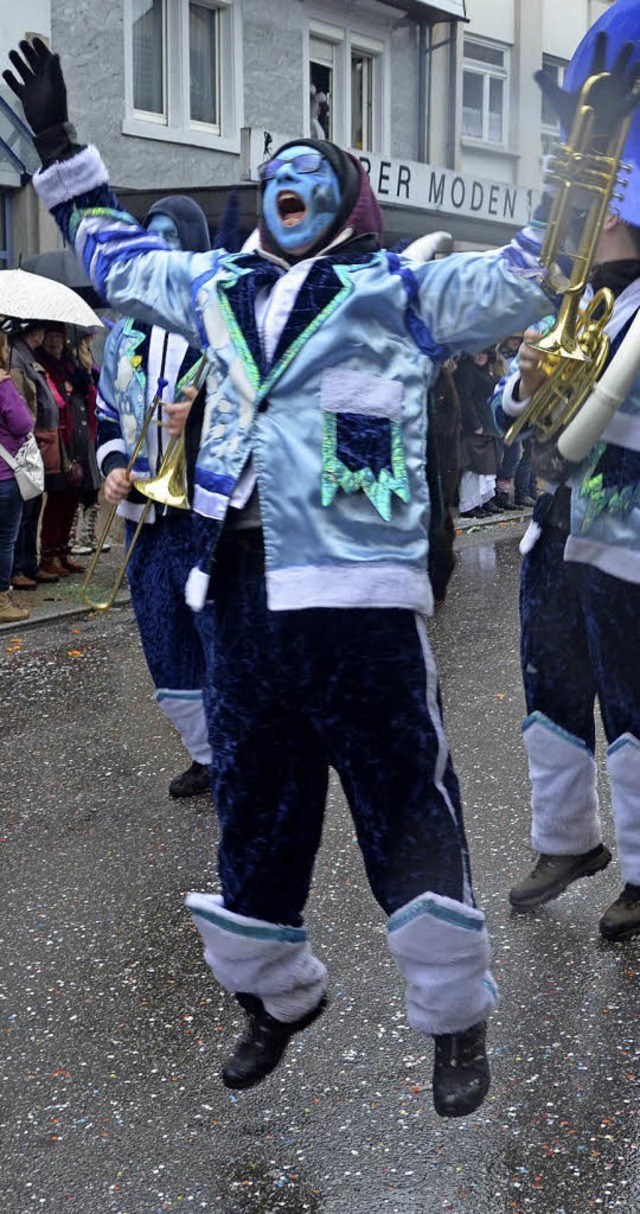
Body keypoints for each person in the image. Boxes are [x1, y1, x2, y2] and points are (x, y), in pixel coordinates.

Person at [5, 35, 634, 1118]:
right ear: (262, 205)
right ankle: (273, 996)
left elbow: (533, 268)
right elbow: (111, 257)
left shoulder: (396, 291)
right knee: (255, 799)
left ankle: (452, 1015)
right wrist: (61, 145)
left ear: (345, 204)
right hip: (241, 599)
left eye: (315, 174)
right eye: (279, 175)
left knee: (404, 801)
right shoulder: (214, 286)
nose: (291, 183)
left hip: (361, 603)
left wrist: (595, 142)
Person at [492, 4, 640, 943]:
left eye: (612, 215)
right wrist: (529, 383)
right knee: (548, 676)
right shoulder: (573, 303)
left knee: (632, 697)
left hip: (628, 532)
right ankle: (564, 838)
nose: (595, 226)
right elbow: (509, 405)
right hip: (557, 522)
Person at [97, 195, 215, 800]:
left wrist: (203, 416)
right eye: (151, 235)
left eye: (171, 234)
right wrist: (115, 465)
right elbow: (103, 418)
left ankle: (236, 747)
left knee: (217, 635)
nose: (159, 245)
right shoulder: (122, 336)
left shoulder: (219, 326)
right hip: (144, 514)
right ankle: (204, 753)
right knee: (161, 638)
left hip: (204, 515)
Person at [38, 322, 100, 576]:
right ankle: (48, 554)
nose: (53, 342)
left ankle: (64, 551)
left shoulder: (70, 364)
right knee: (58, 497)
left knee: (73, 496)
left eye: (57, 337)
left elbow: (87, 392)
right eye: (50, 337)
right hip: (61, 439)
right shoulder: (43, 365)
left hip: (80, 437)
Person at [7, 319, 61, 589]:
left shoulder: (27, 357)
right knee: (24, 510)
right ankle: (19, 567)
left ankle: (30, 563)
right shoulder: (18, 360)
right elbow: (19, 405)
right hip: (27, 441)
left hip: (34, 439)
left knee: (32, 505)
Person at [0, 331, 36, 623]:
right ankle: (1, 600)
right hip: (4, 474)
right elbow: (23, 424)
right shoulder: (2, 383)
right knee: (4, 540)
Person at [454, 349, 504, 519]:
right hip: (474, 426)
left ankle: (482, 501)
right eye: (477, 351)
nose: (480, 354)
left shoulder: (486, 370)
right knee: (472, 468)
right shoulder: (466, 371)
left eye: (484, 351)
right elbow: (465, 399)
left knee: (486, 467)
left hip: (488, 424)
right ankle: (468, 505)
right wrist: (475, 424)